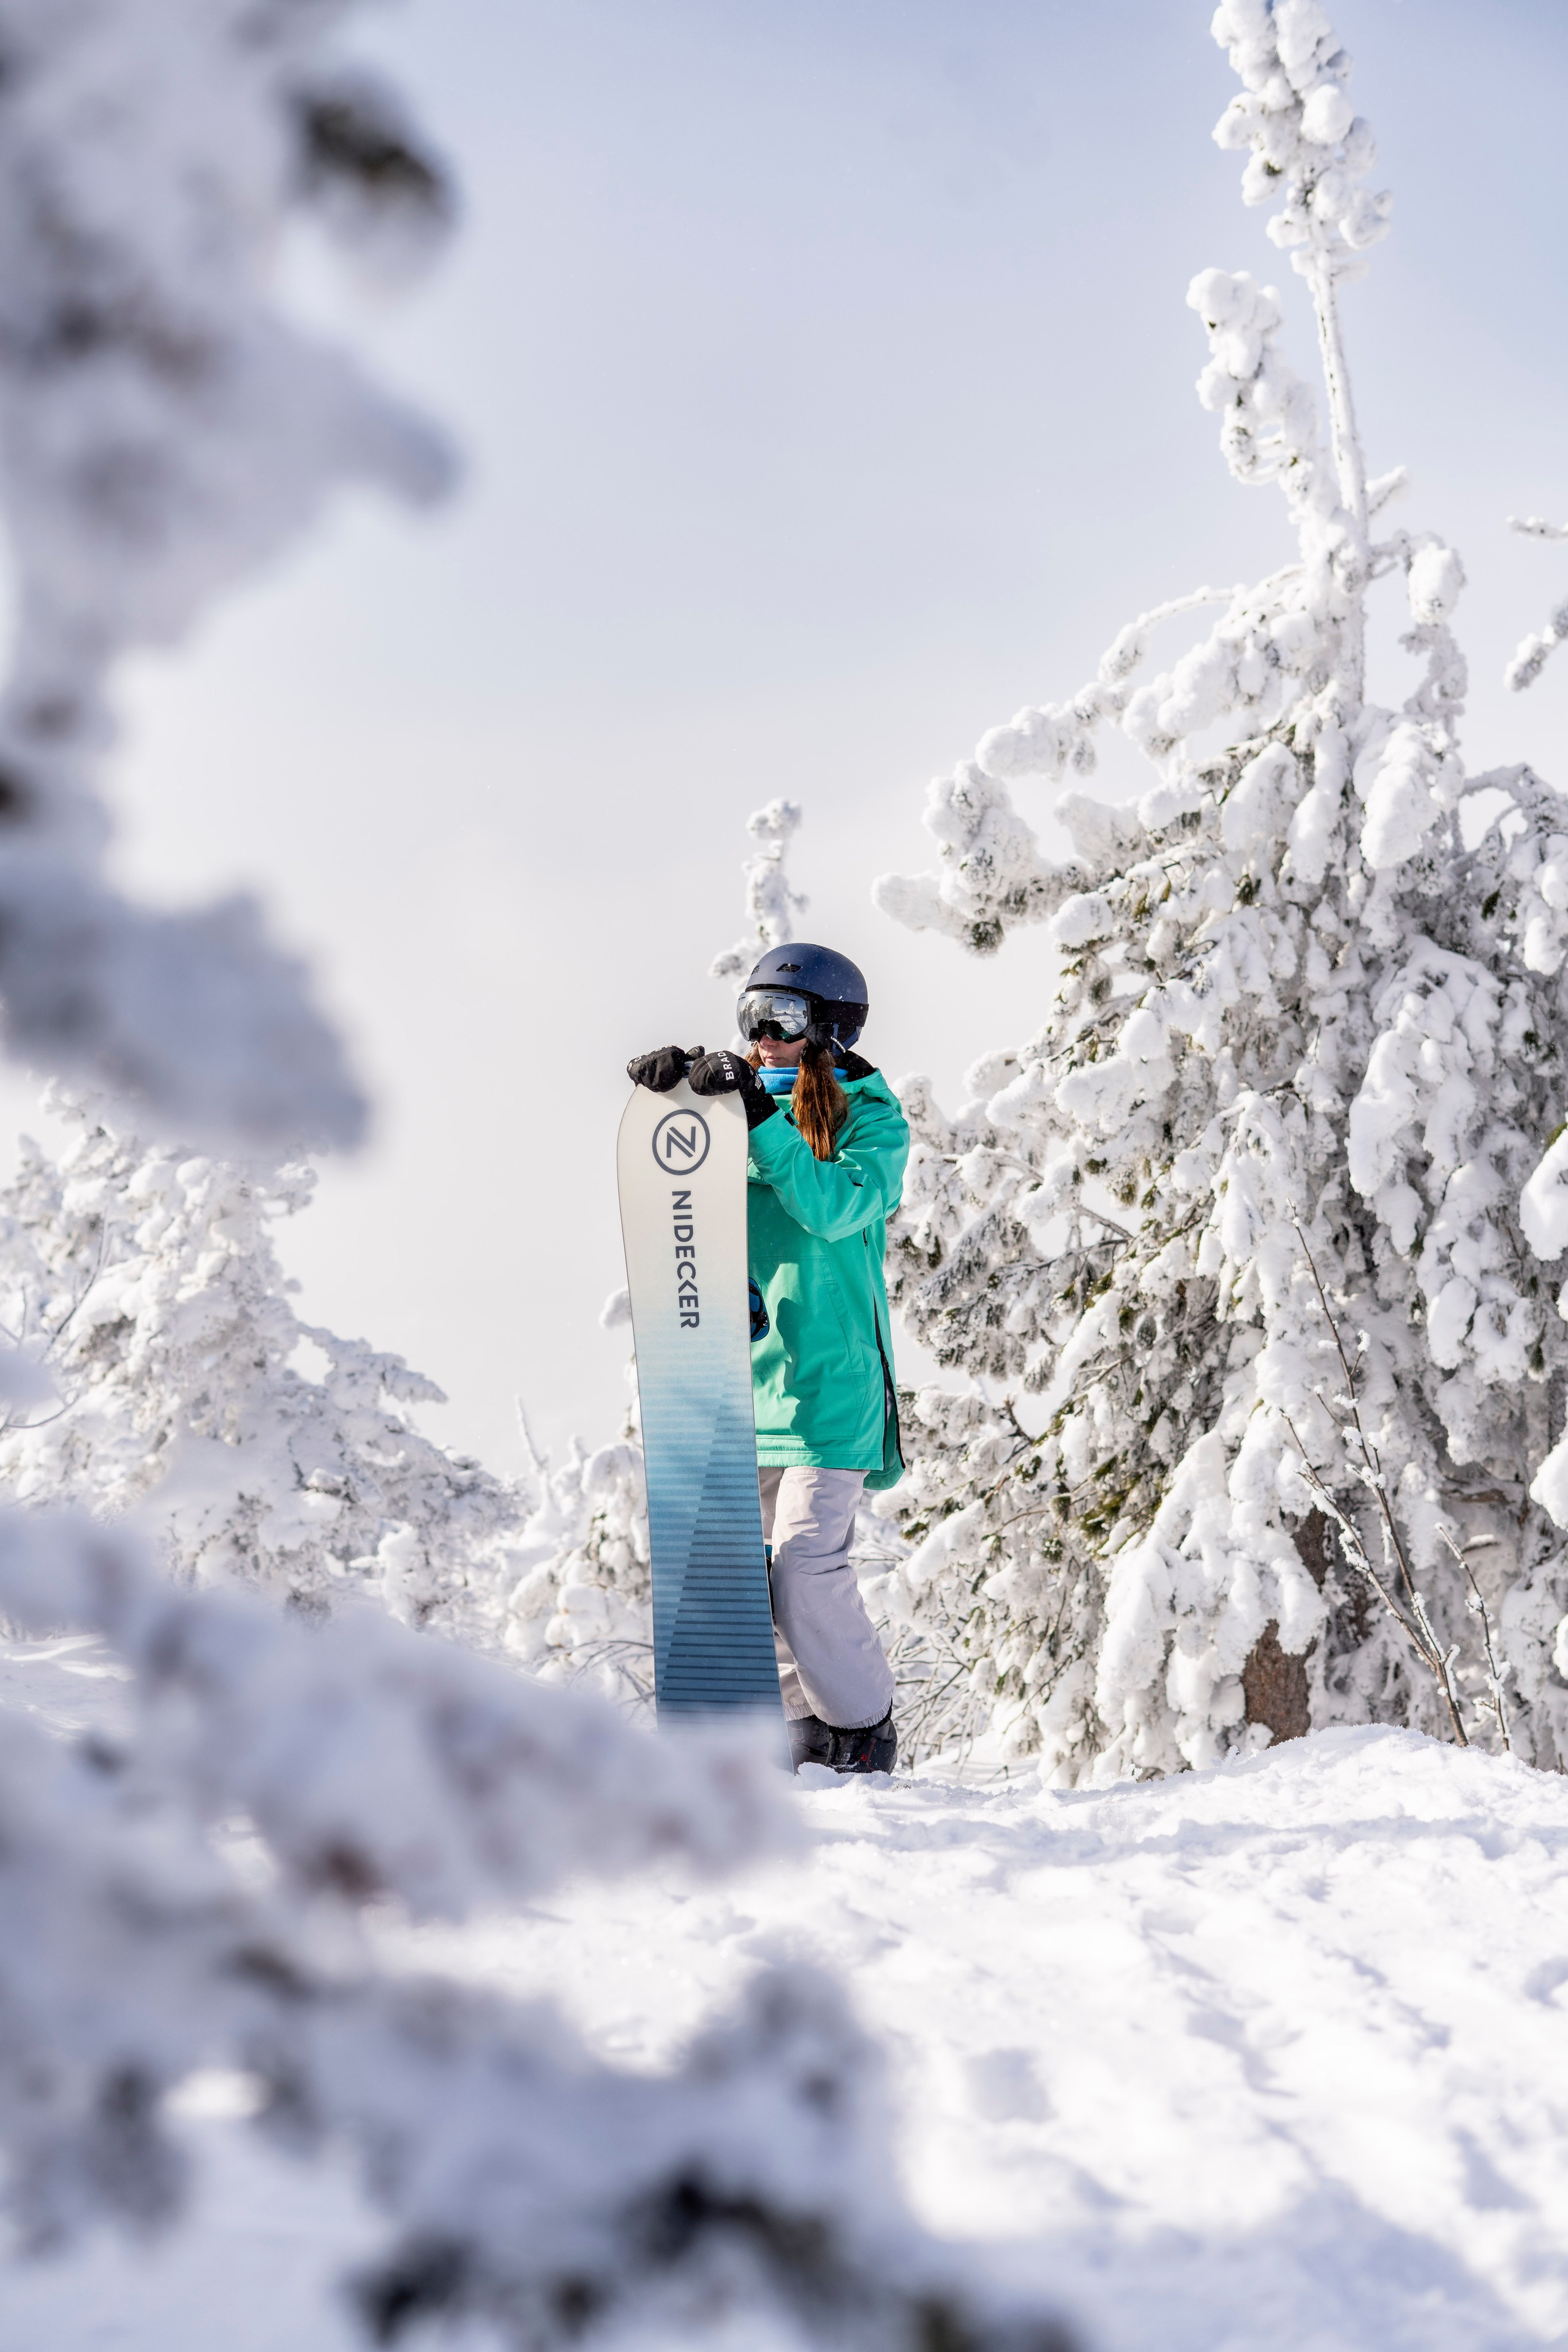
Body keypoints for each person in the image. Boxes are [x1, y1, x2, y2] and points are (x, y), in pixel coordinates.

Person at [628, 942, 908, 1776]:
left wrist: (755, 1123)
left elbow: (829, 1209)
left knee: (805, 1569)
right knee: (742, 1578)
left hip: (834, 1385)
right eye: (750, 1018)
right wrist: (672, 1108)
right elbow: (684, 1218)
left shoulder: (872, 1118)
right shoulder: (730, 1115)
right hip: (747, 1379)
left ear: (829, 1029)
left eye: (782, 1019)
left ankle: (862, 1727)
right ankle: (801, 1729)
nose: (762, 1037)